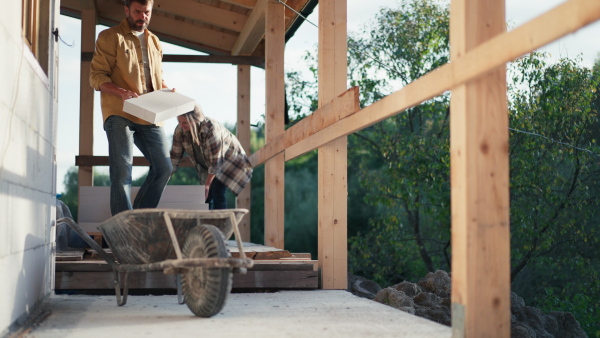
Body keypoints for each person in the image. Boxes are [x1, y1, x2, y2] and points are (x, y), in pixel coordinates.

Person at [89, 0, 172, 216]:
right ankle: (123, 232)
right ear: (126, 10)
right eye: (137, 11)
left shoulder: (155, 42)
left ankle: (136, 222)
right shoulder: (109, 37)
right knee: (122, 172)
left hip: (150, 115)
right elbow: (96, 76)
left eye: (147, 12)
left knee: (164, 168)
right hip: (119, 112)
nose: (142, 16)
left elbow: (157, 79)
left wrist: (169, 93)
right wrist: (121, 92)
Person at [170, 105, 253, 209]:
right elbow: (174, 157)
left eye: (185, 122)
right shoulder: (179, 131)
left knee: (217, 191)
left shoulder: (211, 128)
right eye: (179, 122)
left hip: (227, 161)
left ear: (194, 121)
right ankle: (207, 223)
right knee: (205, 197)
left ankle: (220, 223)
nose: (181, 125)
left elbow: (216, 162)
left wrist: (207, 185)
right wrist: (165, 179)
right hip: (208, 164)